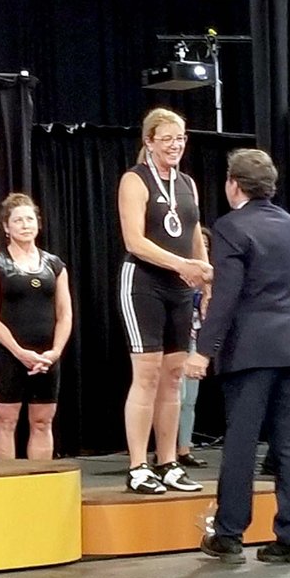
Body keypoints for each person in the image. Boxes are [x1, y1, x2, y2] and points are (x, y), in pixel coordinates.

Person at [188, 149, 290, 565]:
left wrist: (203, 351)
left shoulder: (230, 227)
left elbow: (226, 297)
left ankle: (229, 534)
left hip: (252, 349)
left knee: (242, 442)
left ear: (234, 184)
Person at [118, 107, 212, 494]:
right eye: (168, 139)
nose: (176, 145)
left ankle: (169, 461)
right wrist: (183, 266)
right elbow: (134, 242)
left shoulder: (187, 183)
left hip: (180, 288)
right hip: (143, 283)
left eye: (181, 138)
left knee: (174, 378)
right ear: (149, 142)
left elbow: (193, 236)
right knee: (148, 374)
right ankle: (138, 465)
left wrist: (205, 279)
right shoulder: (134, 180)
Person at [0, 193, 72, 460]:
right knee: (7, 421)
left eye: (30, 219)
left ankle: (39, 484)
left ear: (38, 224)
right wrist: (20, 352)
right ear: (6, 227)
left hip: (46, 357)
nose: (25, 225)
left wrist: (54, 353)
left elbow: (65, 314)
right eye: (18, 220)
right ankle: (5, 486)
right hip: (10, 356)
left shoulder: (55, 265)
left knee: (42, 422)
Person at [175, 226, 213, 468]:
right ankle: (165, 450)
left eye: (207, 248)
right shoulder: (179, 276)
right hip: (177, 338)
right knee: (175, 395)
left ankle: (184, 448)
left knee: (191, 398)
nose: (204, 251)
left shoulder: (207, 284)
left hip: (195, 339)